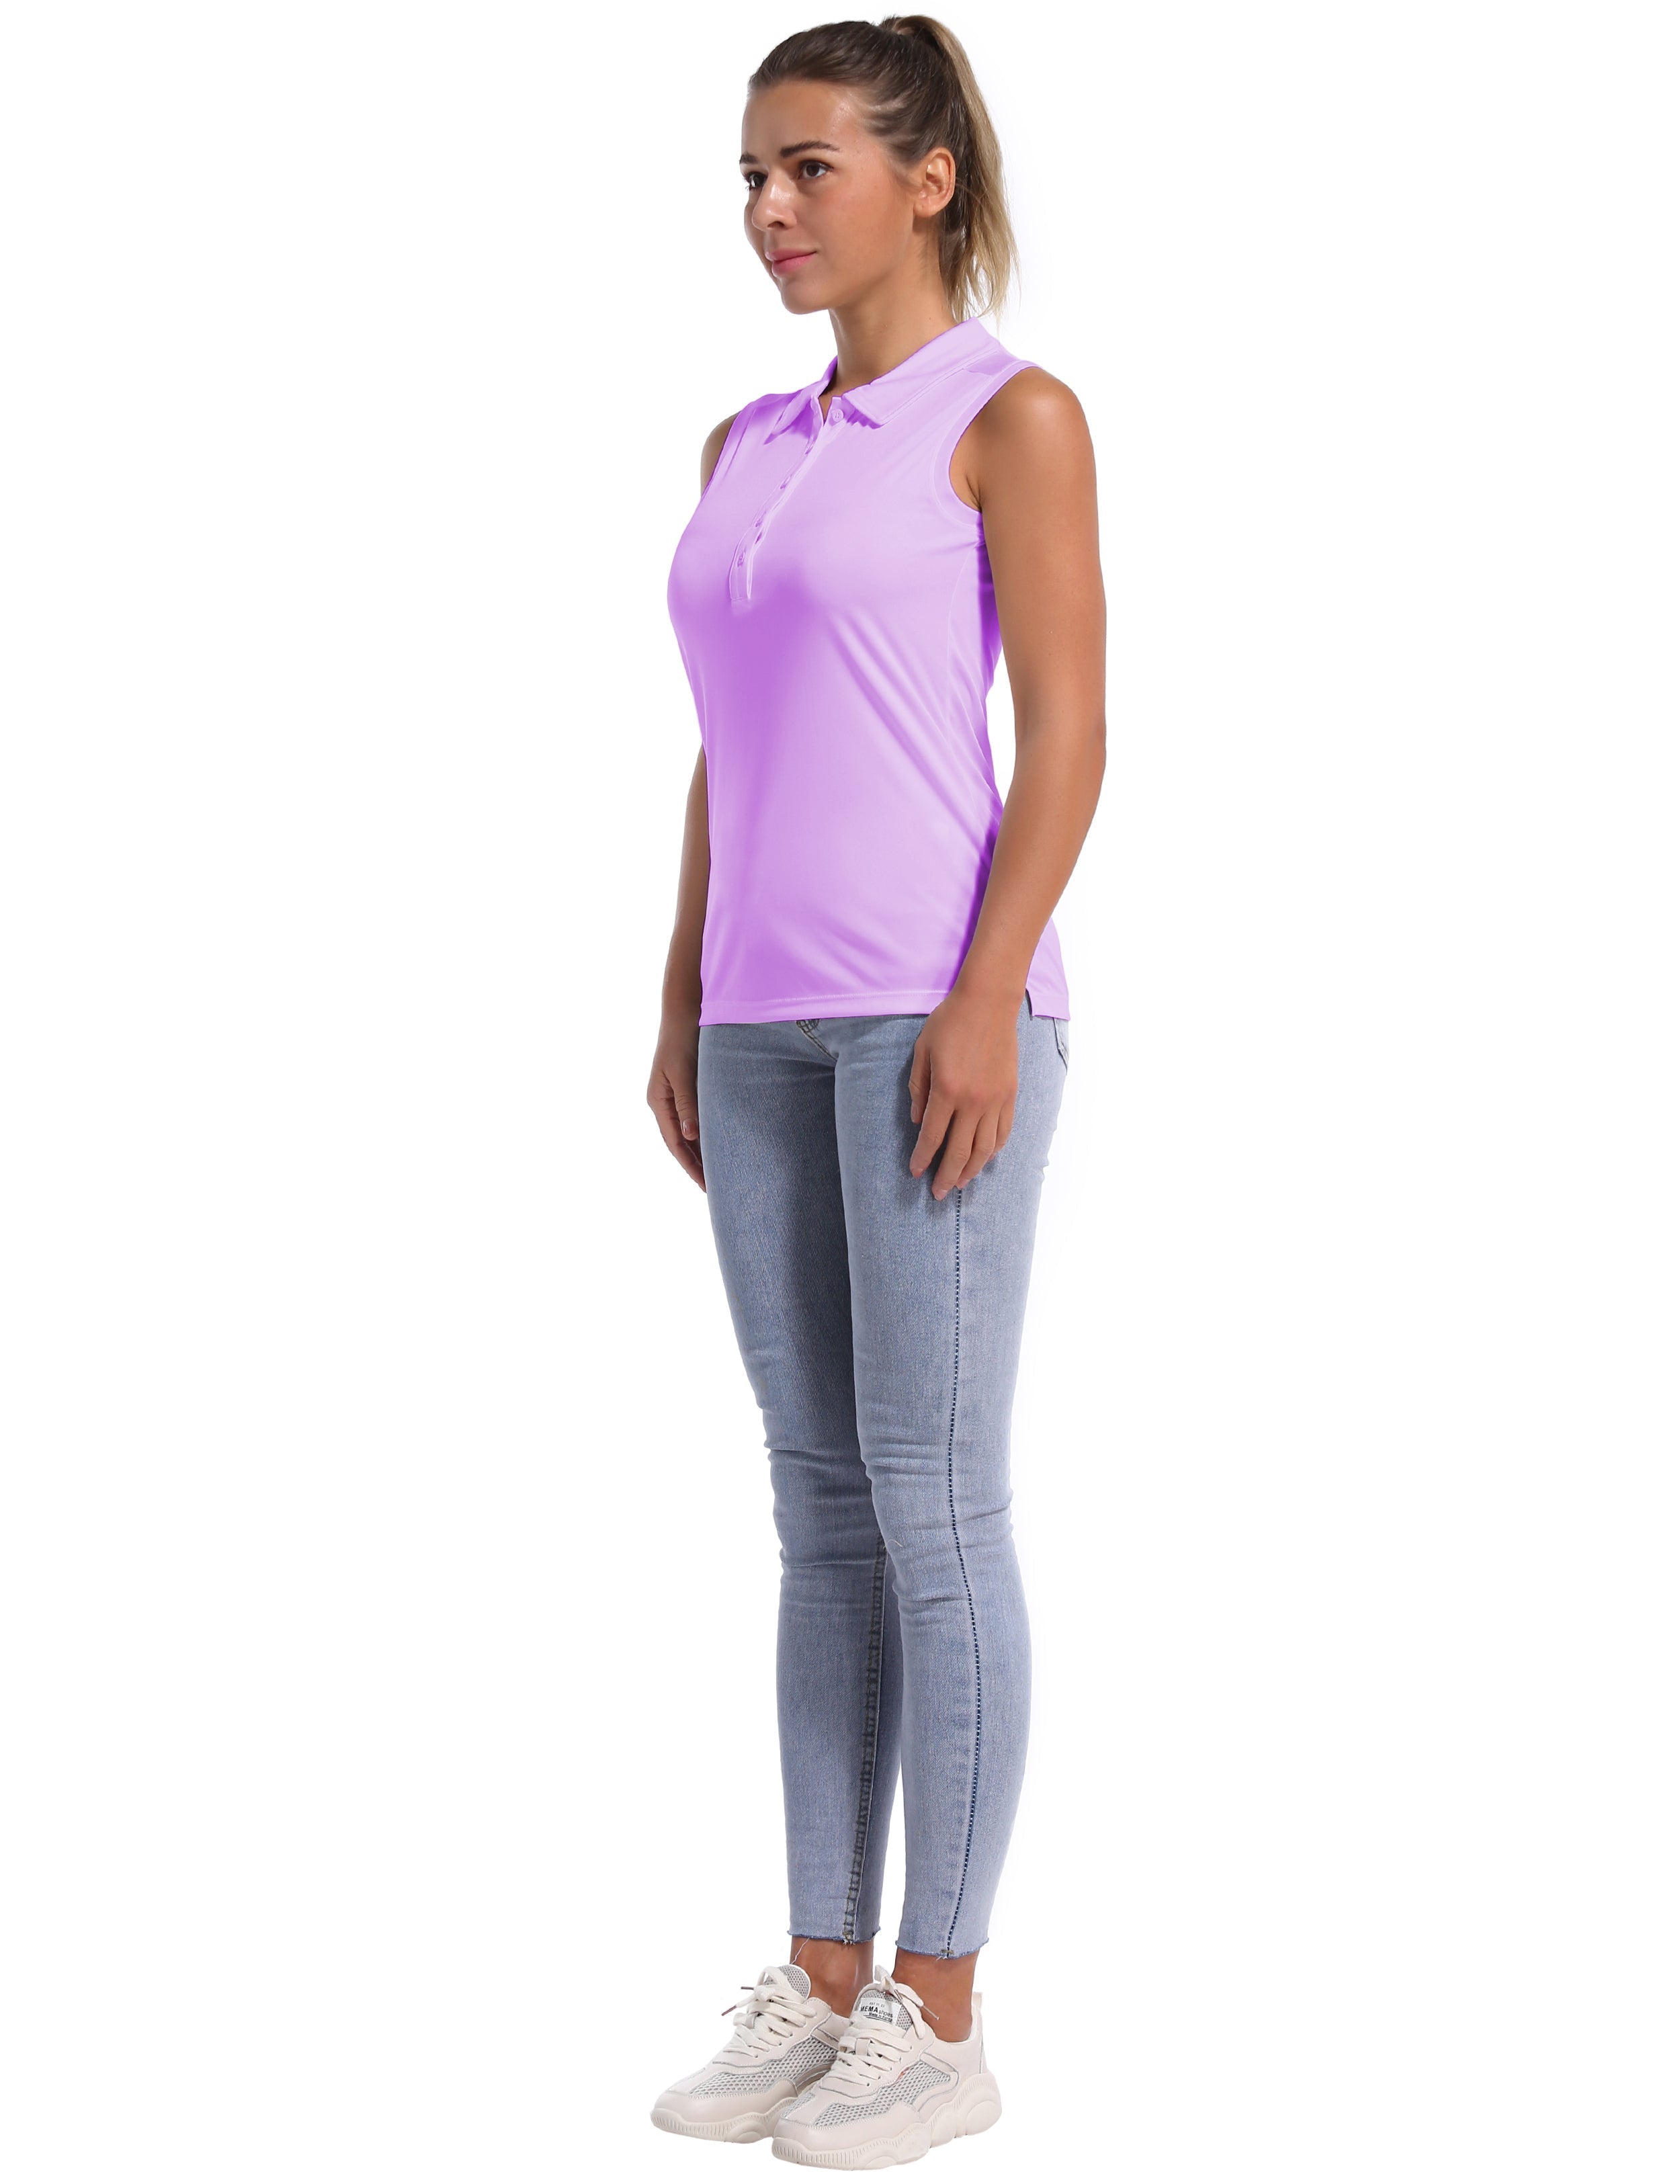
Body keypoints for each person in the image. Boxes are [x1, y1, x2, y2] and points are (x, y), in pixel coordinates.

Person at [646, 15, 1105, 2166]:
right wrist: (679, 992)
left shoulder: (1010, 419)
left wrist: (988, 991)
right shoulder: (743, 442)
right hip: (757, 1027)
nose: (767, 208)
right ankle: (819, 1979)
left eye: (805, 167)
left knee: (932, 1497)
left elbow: (1071, 731)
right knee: (815, 1503)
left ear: (925, 178)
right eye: (748, 174)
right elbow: (726, 743)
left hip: (933, 1011)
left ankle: (942, 2003)